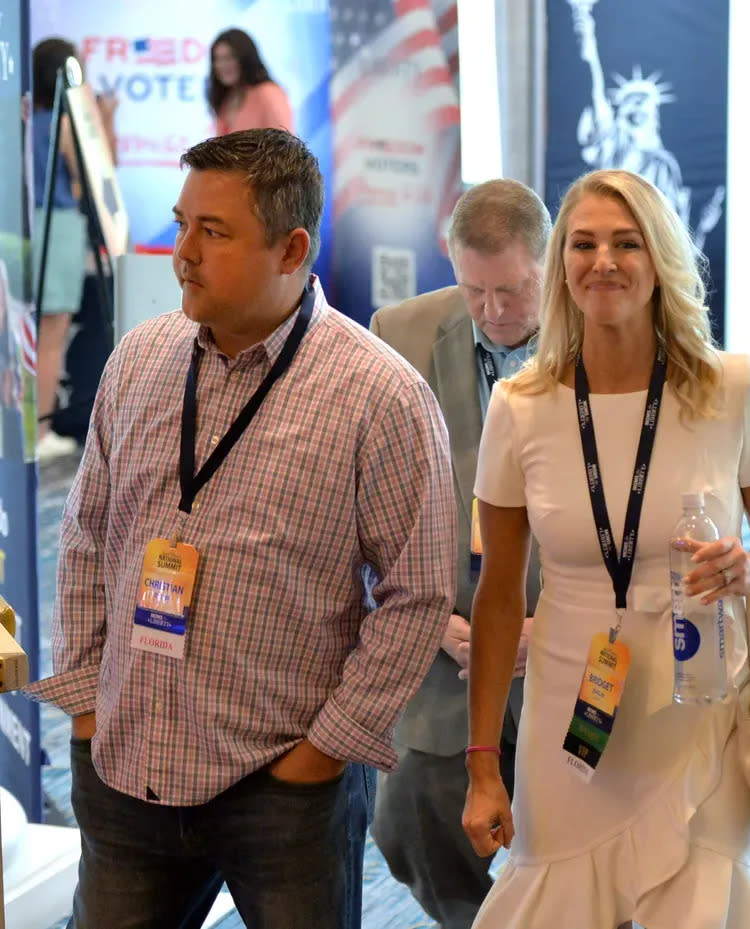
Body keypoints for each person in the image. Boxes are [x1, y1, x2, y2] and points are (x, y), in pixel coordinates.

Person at [21, 128, 456, 929]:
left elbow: (417, 592)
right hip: (126, 763)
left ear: (291, 248)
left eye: (211, 232)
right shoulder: (139, 359)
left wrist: (324, 750)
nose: (181, 251)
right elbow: (84, 539)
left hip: (280, 786)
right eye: (182, 222)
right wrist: (87, 705)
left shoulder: (379, 395)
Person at [461, 168, 750, 928]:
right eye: (582, 244)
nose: (603, 261)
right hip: (568, 722)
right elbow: (496, 595)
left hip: (700, 700)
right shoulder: (519, 407)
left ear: (660, 261)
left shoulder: (731, 388)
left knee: (695, 906)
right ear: (560, 264)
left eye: (626, 242)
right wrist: (482, 761)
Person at [367, 178, 549, 928]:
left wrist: (553, 627)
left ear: (548, 265)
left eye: (511, 289)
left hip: (567, 639)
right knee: (407, 816)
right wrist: (425, 615)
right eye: (474, 290)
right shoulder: (398, 334)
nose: (494, 311)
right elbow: (361, 502)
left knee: (598, 840)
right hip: (448, 635)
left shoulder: (605, 335)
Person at [31, 38, 115, 460]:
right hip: (59, 224)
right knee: (52, 332)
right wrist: (105, 120)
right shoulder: (66, 124)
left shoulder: (26, 121)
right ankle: (41, 431)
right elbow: (90, 179)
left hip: (24, 225)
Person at [206, 28, 293, 136]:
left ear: (245, 58)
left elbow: (284, 144)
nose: (221, 65)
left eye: (229, 58)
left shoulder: (268, 93)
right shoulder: (228, 98)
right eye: (217, 59)